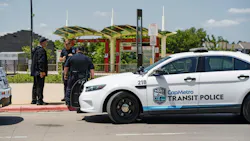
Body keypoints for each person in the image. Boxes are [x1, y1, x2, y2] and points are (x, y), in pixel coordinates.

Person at [30, 37, 49, 105]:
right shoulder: (41, 50)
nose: (46, 43)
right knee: (40, 85)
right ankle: (40, 100)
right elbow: (41, 61)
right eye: (45, 42)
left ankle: (34, 99)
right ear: (42, 42)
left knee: (35, 85)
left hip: (35, 70)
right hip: (39, 71)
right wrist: (42, 71)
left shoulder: (35, 49)